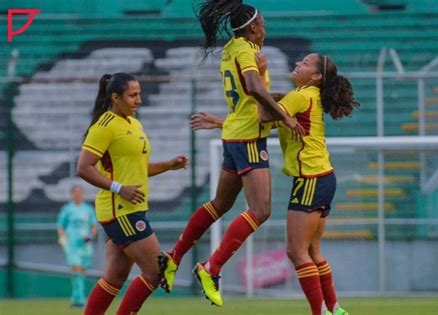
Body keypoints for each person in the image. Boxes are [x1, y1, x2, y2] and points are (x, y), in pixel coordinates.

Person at [158, 0, 304, 307]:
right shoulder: (245, 50)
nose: (265, 30)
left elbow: (253, 97)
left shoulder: (231, 49)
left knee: (220, 203)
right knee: (260, 209)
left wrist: (291, 100)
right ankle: (211, 268)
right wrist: (285, 114)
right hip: (248, 138)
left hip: (236, 134)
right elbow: (253, 89)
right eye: (263, 25)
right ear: (253, 28)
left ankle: (174, 257)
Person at [188, 53, 359, 315]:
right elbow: (275, 122)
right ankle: (334, 308)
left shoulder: (300, 96)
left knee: (296, 251)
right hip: (324, 177)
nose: (297, 63)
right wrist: (221, 123)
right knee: (312, 250)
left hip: (310, 179)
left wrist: (261, 76)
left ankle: (320, 313)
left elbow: (261, 117)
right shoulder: (306, 97)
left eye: (304, 63)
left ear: (316, 76)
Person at [76, 72, 188, 315]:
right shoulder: (104, 125)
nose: (138, 100)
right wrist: (119, 188)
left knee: (115, 277)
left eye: (139, 94)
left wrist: (169, 165)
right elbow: (83, 168)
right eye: (132, 95)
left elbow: (137, 169)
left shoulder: (134, 123)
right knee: (156, 271)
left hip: (132, 208)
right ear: (115, 97)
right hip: (120, 210)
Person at [57, 185, 97, 308]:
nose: (78, 195)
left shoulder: (88, 209)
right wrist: (63, 239)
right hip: (72, 243)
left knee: (82, 270)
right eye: (76, 193)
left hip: (85, 245)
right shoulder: (67, 209)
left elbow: (94, 226)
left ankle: (76, 298)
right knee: (76, 268)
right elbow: (60, 226)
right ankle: (79, 300)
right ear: (72, 195)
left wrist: (90, 236)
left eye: (80, 193)